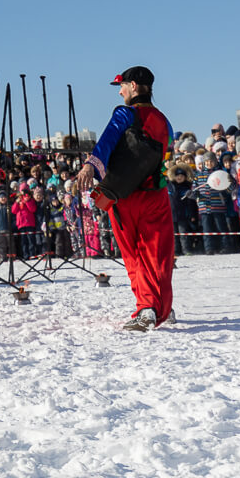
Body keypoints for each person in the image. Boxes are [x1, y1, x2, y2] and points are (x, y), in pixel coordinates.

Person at [75, 66, 174, 331]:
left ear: (132, 86)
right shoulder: (165, 120)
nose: (120, 92)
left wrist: (90, 166)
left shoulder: (125, 113)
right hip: (158, 194)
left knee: (134, 254)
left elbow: (107, 140)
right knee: (158, 254)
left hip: (125, 197)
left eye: (122, 86)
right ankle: (162, 304)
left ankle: (147, 309)